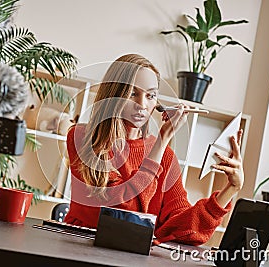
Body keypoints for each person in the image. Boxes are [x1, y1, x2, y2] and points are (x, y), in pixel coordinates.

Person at [64, 54, 244, 246]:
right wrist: (161, 141)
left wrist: (231, 188)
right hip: (81, 250)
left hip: (131, 255)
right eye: (133, 94)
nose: (142, 105)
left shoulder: (164, 155)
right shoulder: (83, 137)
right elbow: (121, 215)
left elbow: (184, 229)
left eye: (150, 96)